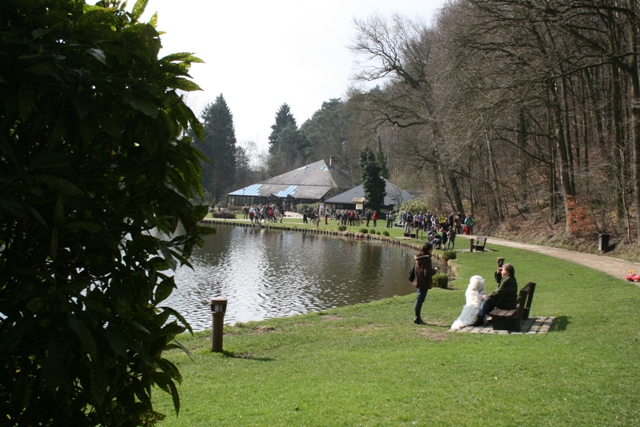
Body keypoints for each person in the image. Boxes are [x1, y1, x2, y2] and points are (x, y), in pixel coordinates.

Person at [412, 243, 437, 325]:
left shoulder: (418, 258)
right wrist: (435, 270)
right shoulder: (427, 260)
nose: (432, 251)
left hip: (418, 281)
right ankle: (417, 317)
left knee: (419, 298)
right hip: (424, 283)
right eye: (431, 249)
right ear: (429, 250)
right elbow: (427, 273)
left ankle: (417, 316)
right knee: (420, 299)